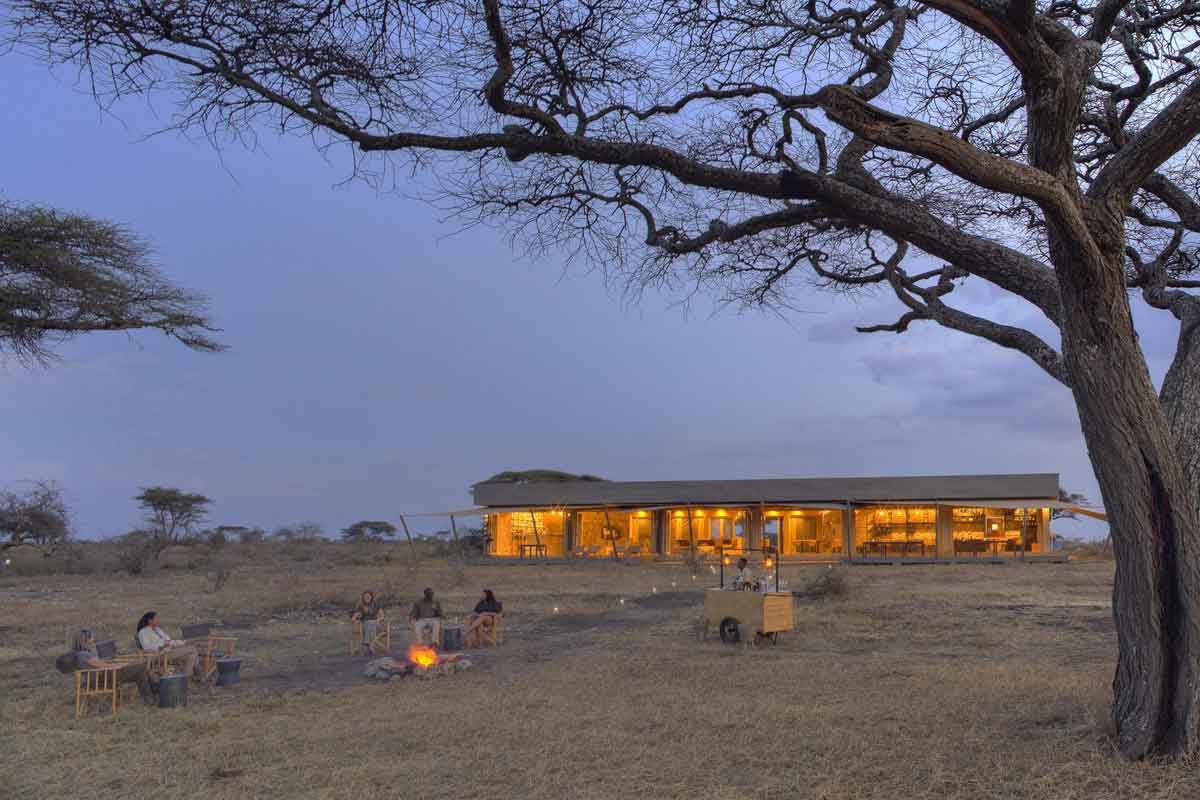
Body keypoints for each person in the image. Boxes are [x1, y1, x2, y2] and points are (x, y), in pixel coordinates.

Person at [72, 628, 155, 704]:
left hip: (102, 676)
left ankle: (149, 698)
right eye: (91, 638)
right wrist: (117, 665)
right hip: (104, 678)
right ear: (85, 640)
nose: (93, 640)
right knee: (141, 667)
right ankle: (153, 689)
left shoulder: (79, 654)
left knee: (140, 674)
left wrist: (110, 663)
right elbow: (102, 666)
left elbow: (98, 664)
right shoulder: (84, 655)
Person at [136, 611, 199, 677]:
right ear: (150, 620)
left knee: (191, 656)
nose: (158, 620)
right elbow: (146, 646)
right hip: (157, 655)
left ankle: (185, 677)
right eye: (156, 619)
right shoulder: (143, 632)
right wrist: (160, 646)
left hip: (169, 652)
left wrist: (184, 642)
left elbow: (169, 641)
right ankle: (198, 674)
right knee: (192, 649)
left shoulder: (158, 630)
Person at [351, 590, 385, 655]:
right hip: (364, 625)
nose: (367, 597)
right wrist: (355, 620)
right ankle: (371, 645)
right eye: (365, 596)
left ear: (371, 597)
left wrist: (379, 619)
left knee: (371, 623)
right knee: (369, 623)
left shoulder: (376, 604)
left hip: (376, 623)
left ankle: (367, 642)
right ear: (363, 597)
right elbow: (354, 617)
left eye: (368, 596)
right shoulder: (360, 605)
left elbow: (382, 616)